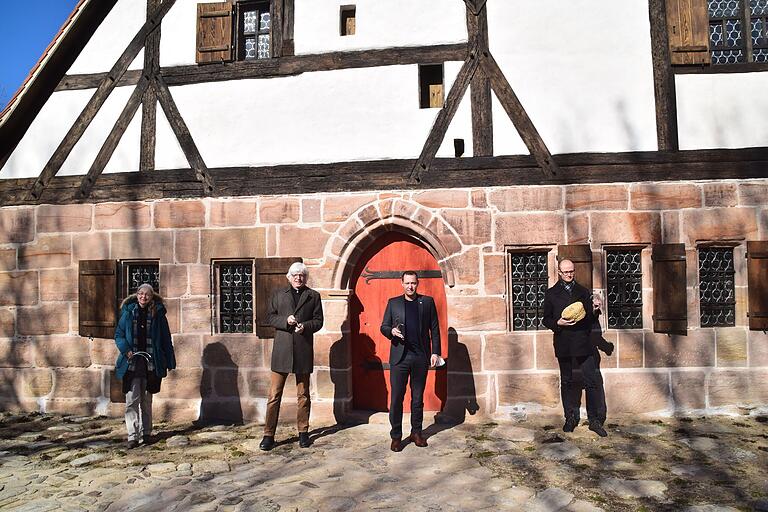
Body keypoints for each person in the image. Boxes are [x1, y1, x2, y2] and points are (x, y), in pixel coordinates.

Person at [259, 262, 324, 451]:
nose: (298, 278)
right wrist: (285, 321)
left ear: (306, 277)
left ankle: (303, 433)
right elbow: (269, 317)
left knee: (303, 395)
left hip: (303, 350)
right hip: (282, 351)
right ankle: (268, 435)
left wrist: (306, 326)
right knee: (274, 395)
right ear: (289, 277)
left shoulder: (313, 296)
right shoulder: (279, 295)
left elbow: (319, 321)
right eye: (295, 275)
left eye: (302, 275)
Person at [542, 259, 607, 437]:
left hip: (583, 342)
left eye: (571, 271)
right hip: (563, 342)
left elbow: (589, 320)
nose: (569, 274)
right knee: (567, 381)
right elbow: (545, 319)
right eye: (566, 272)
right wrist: (558, 322)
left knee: (592, 381)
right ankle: (570, 417)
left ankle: (594, 421)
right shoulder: (551, 293)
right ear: (559, 273)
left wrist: (595, 309)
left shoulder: (583, 291)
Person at [380, 271, 442, 452]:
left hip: (420, 357)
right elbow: (383, 326)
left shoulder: (427, 302)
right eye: (407, 283)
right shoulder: (393, 303)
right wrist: (391, 331)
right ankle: (396, 436)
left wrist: (435, 352)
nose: (410, 286)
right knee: (397, 398)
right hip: (400, 358)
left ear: (418, 283)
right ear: (402, 283)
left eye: (413, 283)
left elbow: (435, 330)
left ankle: (417, 432)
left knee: (417, 398)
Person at [114, 283, 176, 449]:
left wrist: (170, 361)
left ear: (151, 296)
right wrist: (126, 350)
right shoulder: (128, 312)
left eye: (147, 295)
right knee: (132, 400)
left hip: (151, 362)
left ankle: (146, 433)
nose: (143, 297)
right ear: (137, 295)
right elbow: (119, 335)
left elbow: (165, 339)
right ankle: (132, 436)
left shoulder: (158, 314)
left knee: (146, 400)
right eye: (141, 294)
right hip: (132, 363)